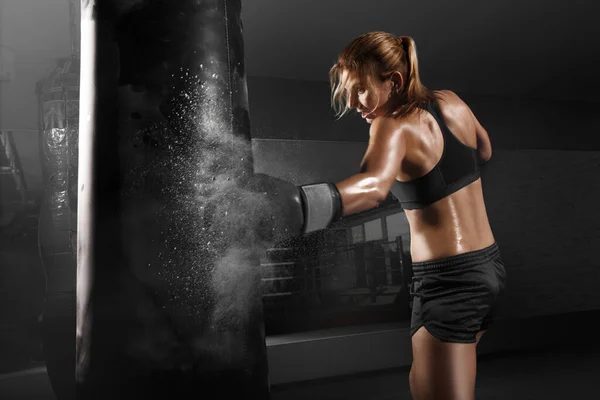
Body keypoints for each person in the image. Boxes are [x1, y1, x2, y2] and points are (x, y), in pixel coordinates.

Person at [319, 31, 507, 399]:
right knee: (421, 384)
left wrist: (300, 206)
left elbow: (373, 187)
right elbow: (484, 151)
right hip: (491, 269)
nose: (356, 103)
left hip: (451, 284)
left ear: (395, 81)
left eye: (361, 89)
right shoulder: (452, 102)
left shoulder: (391, 124)